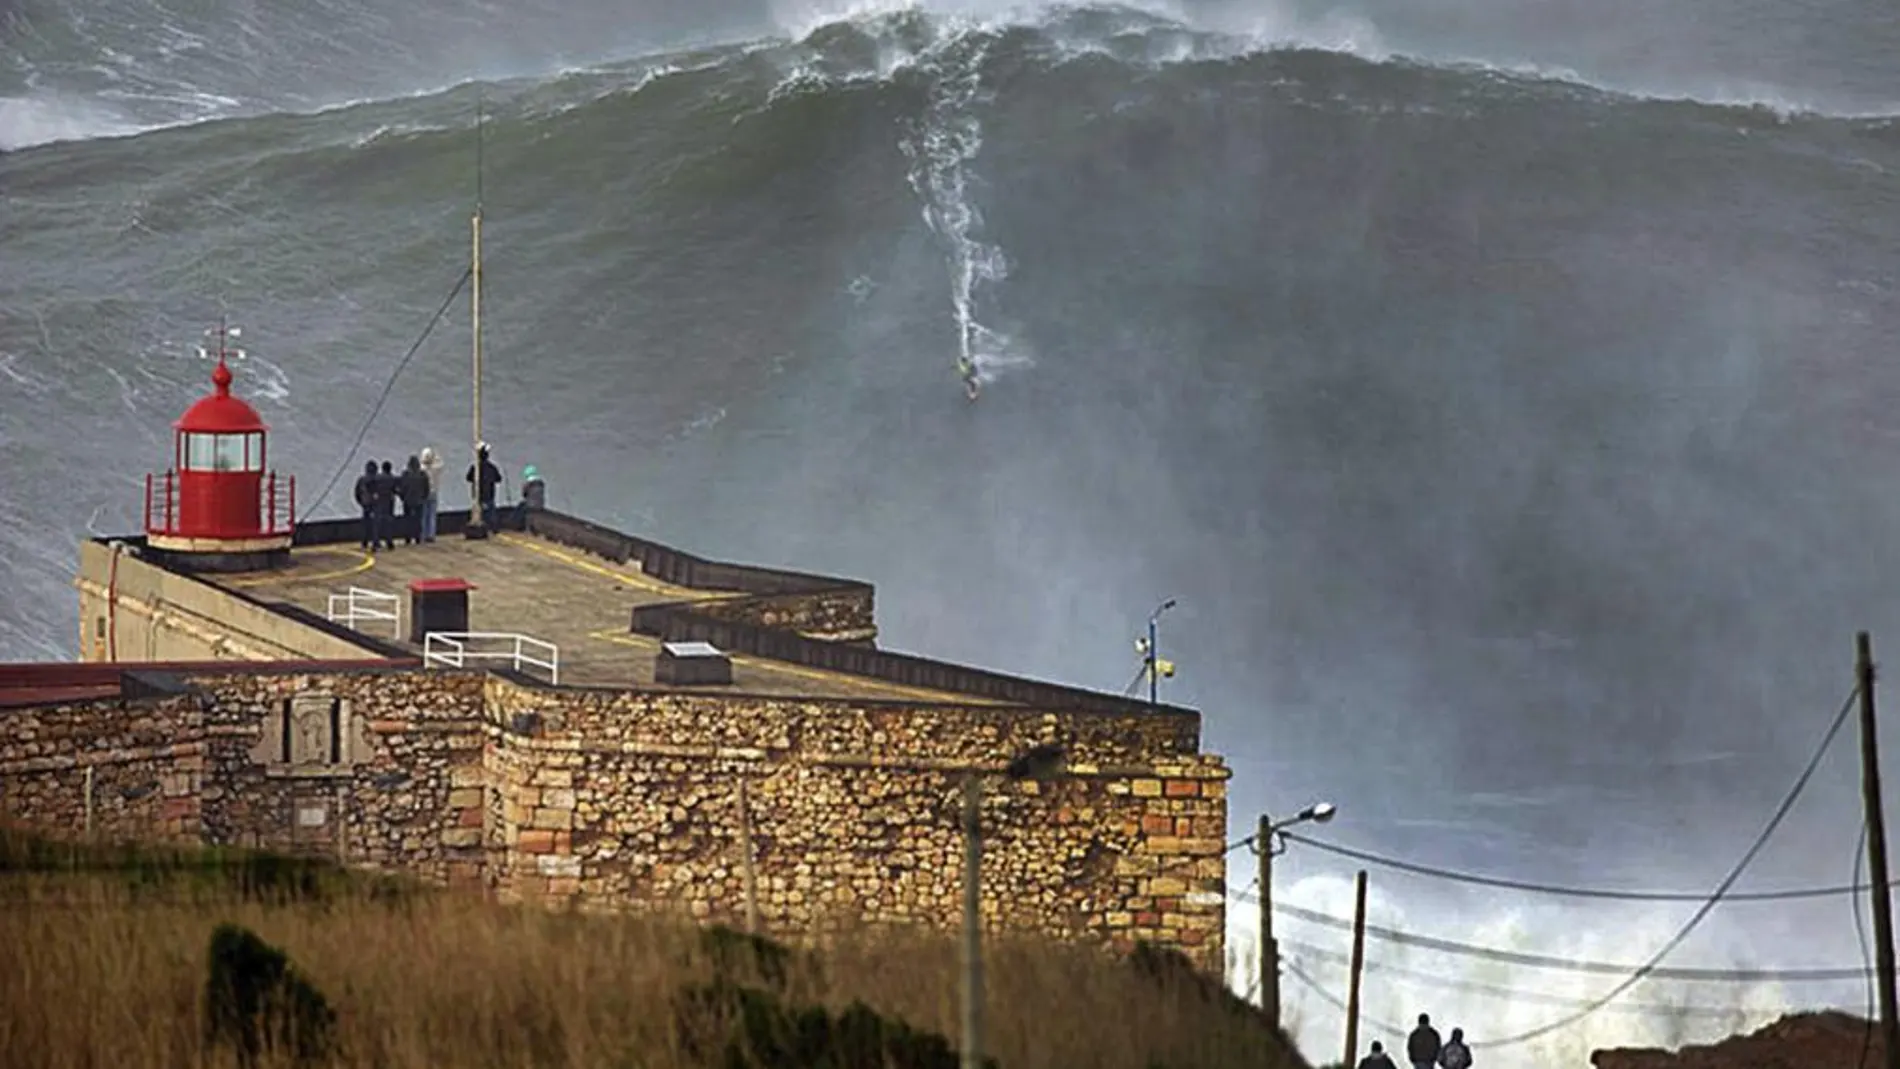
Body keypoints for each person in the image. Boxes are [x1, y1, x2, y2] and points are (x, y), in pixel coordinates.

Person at [466, 441, 501, 529]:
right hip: (489, 492)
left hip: (478, 493)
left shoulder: (475, 467)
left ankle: (481, 526)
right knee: (490, 510)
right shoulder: (492, 467)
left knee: (479, 510)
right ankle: (493, 527)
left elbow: (468, 478)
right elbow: (498, 478)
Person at [397, 455, 430, 544]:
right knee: (418, 520)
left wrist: (402, 498)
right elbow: (427, 488)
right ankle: (417, 537)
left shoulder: (405, 474)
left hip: (407, 500)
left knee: (407, 520)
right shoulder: (422, 474)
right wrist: (423, 498)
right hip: (419, 501)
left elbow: (401, 488)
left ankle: (407, 538)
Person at [353, 460, 382, 550]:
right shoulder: (378, 479)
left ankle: (364, 542)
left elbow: (357, 493)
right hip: (375, 504)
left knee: (365, 524)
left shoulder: (362, 479)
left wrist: (361, 502)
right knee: (375, 524)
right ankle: (375, 542)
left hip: (365, 504)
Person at [417, 446, 443, 542]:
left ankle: (423, 534)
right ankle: (431, 534)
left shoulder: (421, 469)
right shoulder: (436, 468)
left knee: (424, 515)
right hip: (433, 492)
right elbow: (441, 463)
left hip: (423, 493)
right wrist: (435, 456)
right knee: (432, 515)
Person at [374, 460, 399, 550]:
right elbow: (396, 490)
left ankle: (376, 542)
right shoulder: (392, 478)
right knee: (388, 523)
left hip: (379, 502)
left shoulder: (377, 478)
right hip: (389, 503)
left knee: (377, 523)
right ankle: (389, 542)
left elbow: (373, 488)